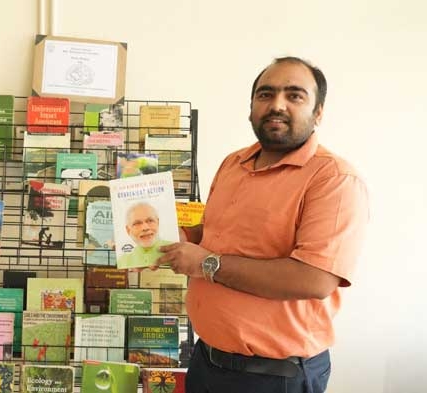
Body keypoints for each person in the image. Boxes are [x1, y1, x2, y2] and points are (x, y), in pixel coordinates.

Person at [157, 57, 369, 393]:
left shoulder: (334, 179)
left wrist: (205, 264)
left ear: (318, 112)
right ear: (251, 107)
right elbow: (213, 234)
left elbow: (315, 278)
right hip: (205, 360)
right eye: (265, 94)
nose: (277, 105)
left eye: (294, 95)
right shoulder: (233, 163)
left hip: (273, 377)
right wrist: (167, 236)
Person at [117, 201, 173, 267]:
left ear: (158, 223)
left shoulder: (176, 251)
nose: (145, 228)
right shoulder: (122, 261)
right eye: (137, 223)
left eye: (150, 220)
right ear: (128, 230)